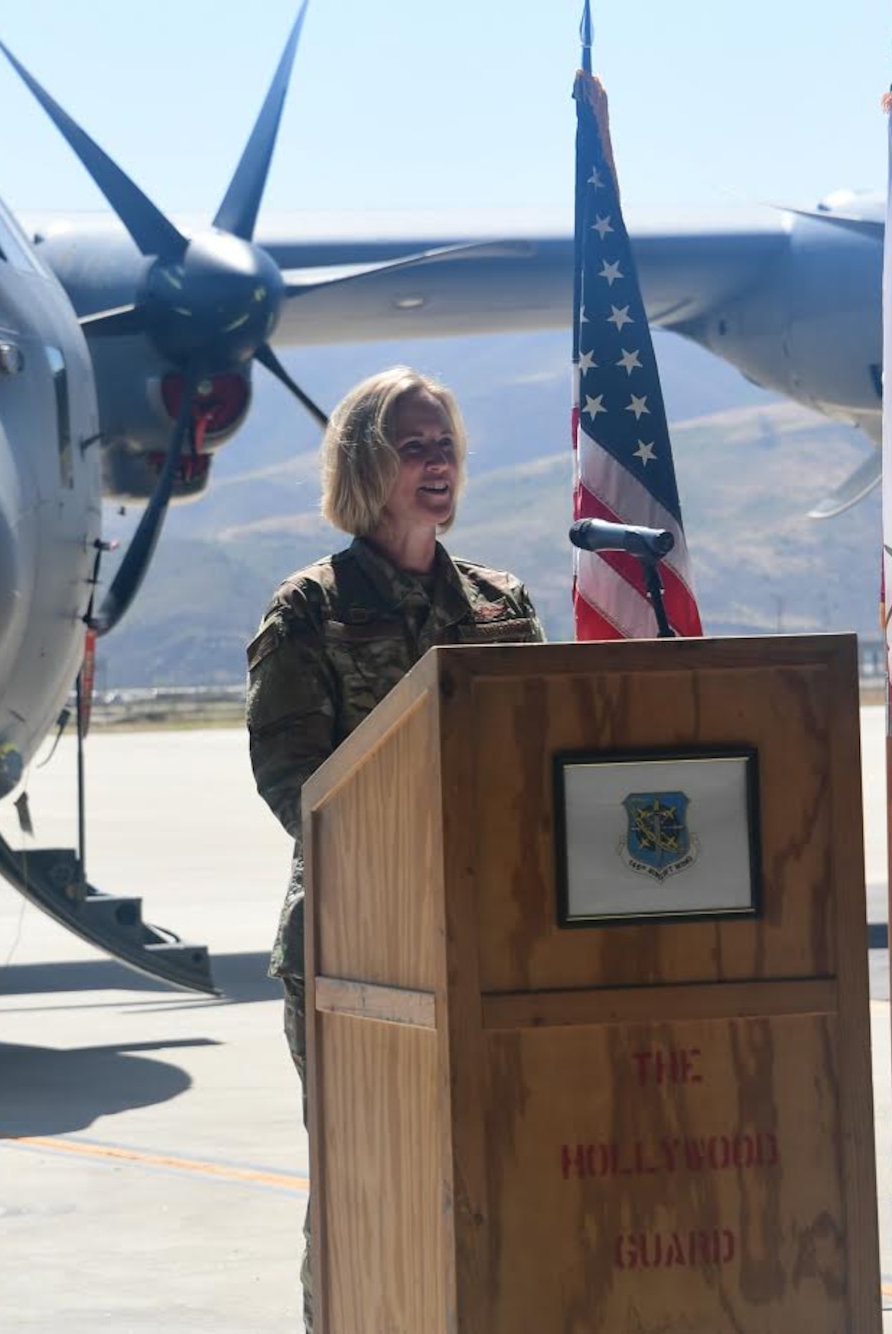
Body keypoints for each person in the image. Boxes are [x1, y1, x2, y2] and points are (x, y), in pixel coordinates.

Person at [244, 366, 543, 1329]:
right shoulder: (311, 609)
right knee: (363, 1182)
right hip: (355, 944)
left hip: (492, 942)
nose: (437, 464)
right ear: (366, 464)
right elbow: (294, 781)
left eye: (445, 445)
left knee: (495, 1173)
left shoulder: (502, 605)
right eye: (414, 447)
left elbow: (541, 756)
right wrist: (401, 858)